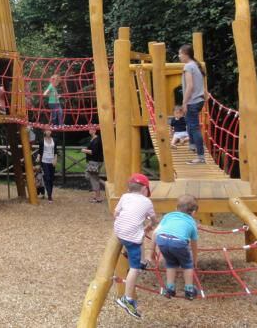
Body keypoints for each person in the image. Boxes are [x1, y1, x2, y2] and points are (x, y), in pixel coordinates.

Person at [113, 173, 156, 320]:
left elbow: (116, 213)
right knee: (134, 269)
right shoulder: (147, 202)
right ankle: (127, 299)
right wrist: (150, 225)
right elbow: (154, 219)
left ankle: (142, 261)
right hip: (131, 239)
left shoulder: (125, 197)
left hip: (118, 232)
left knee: (139, 233)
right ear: (145, 189)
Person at [155, 194, 199, 299]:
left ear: (176, 208)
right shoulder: (192, 222)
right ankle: (189, 290)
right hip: (178, 242)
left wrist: (155, 249)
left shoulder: (168, 216)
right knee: (187, 265)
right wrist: (195, 259)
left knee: (170, 263)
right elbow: (194, 244)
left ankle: (170, 289)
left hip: (161, 240)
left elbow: (158, 230)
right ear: (193, 213)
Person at [178, 44, 206, 164]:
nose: (179, 56)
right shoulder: (195, 65)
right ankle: (193, 145)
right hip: (199, 100)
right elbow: (200, 84)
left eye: (180, 54)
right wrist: (205, 93)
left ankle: (200, 157)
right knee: (190, 124)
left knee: (194, 127)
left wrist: (184, 103)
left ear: (185, 54)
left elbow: (190, 86)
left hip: (192, 101)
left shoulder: (188, 66)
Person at [81, 125, 104, 203]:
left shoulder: (97, 140)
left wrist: (84, 150)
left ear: (95, 131)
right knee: (90, 176)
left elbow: (93, 152)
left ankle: (97, 197)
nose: (89, 130)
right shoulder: (94, 139)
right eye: (89, 129)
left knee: (94, 179)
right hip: (94, 161)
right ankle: (97, 195)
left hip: (95, 162)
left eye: (91, 129)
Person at [40, 128, 57, 203]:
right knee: (47, 177)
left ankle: (50, 193)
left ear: (51, 132)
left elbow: (56, 151)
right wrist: (38, 158)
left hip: (52, 161)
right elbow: (40, 151)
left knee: (51, 178)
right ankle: (49, 196)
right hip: (44, 161)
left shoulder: (54, 140)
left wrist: (55, 160)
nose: (48, 132)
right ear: (44, 132)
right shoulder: (41, 141)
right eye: (47, 130)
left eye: (49, 130)